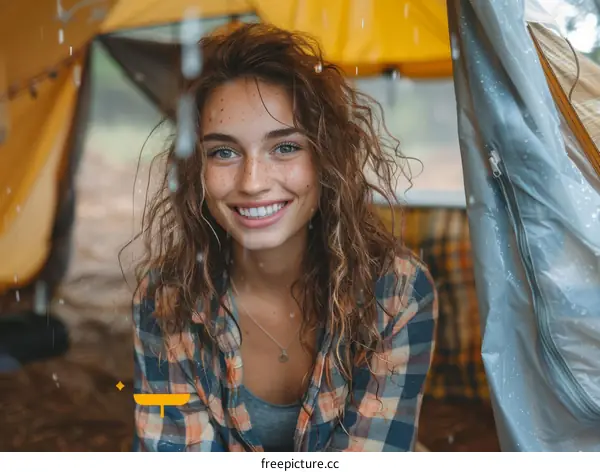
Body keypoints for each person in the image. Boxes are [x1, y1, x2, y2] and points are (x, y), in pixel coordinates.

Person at [131, 22, 438, 452]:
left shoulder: (396, 291)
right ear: (195, 170)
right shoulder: (166, 297)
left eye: (285, 147)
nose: (253, 182)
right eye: (224, 152)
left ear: (326, 158)